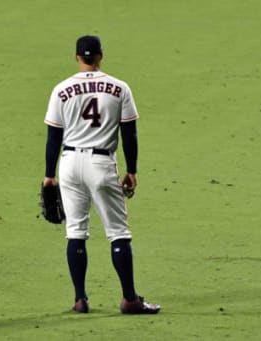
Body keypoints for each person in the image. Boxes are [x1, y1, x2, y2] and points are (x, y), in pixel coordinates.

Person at [42, 35, 160, 314]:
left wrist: (49, 175)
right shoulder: (119, 88)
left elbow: (53, 136)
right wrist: (132, 170)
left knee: (75, 233)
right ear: (101, 56)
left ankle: (80, 299)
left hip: (69, 163)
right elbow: (129, 133)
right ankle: (130, 299)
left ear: (76, 57)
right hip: (102, 163)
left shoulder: (61, 90)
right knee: (118, 232)